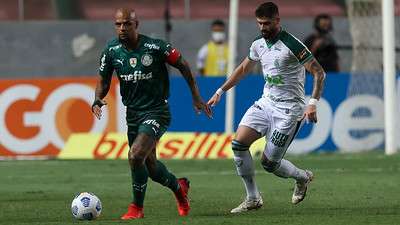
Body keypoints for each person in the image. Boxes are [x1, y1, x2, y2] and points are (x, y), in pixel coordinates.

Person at [92, 8, 212, 220]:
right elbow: (103, 81)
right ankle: (179, 188)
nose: (122, 28)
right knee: (151, 167)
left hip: (157, 111)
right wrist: (97, 98)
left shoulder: (155, 47)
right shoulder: (111, 51)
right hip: (133, 114)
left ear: (136, 25)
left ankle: (136, 208)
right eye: (118, 24)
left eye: (127, 24)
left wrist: (195, 96)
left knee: (135, 155)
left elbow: (183, 64)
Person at [208, 2, 326, 213]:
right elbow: (244, 68)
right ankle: (253, 198)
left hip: (289, 111)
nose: (263, 28)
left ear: (277, 21)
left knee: (269, 163)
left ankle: (302, 177)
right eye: (260, 23)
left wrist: (312, 104)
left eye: (267, 23)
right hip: (266, 103)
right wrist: (220, 91)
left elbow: (319, 72)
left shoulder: (293, 45)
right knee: (238, 144)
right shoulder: (258, 44)